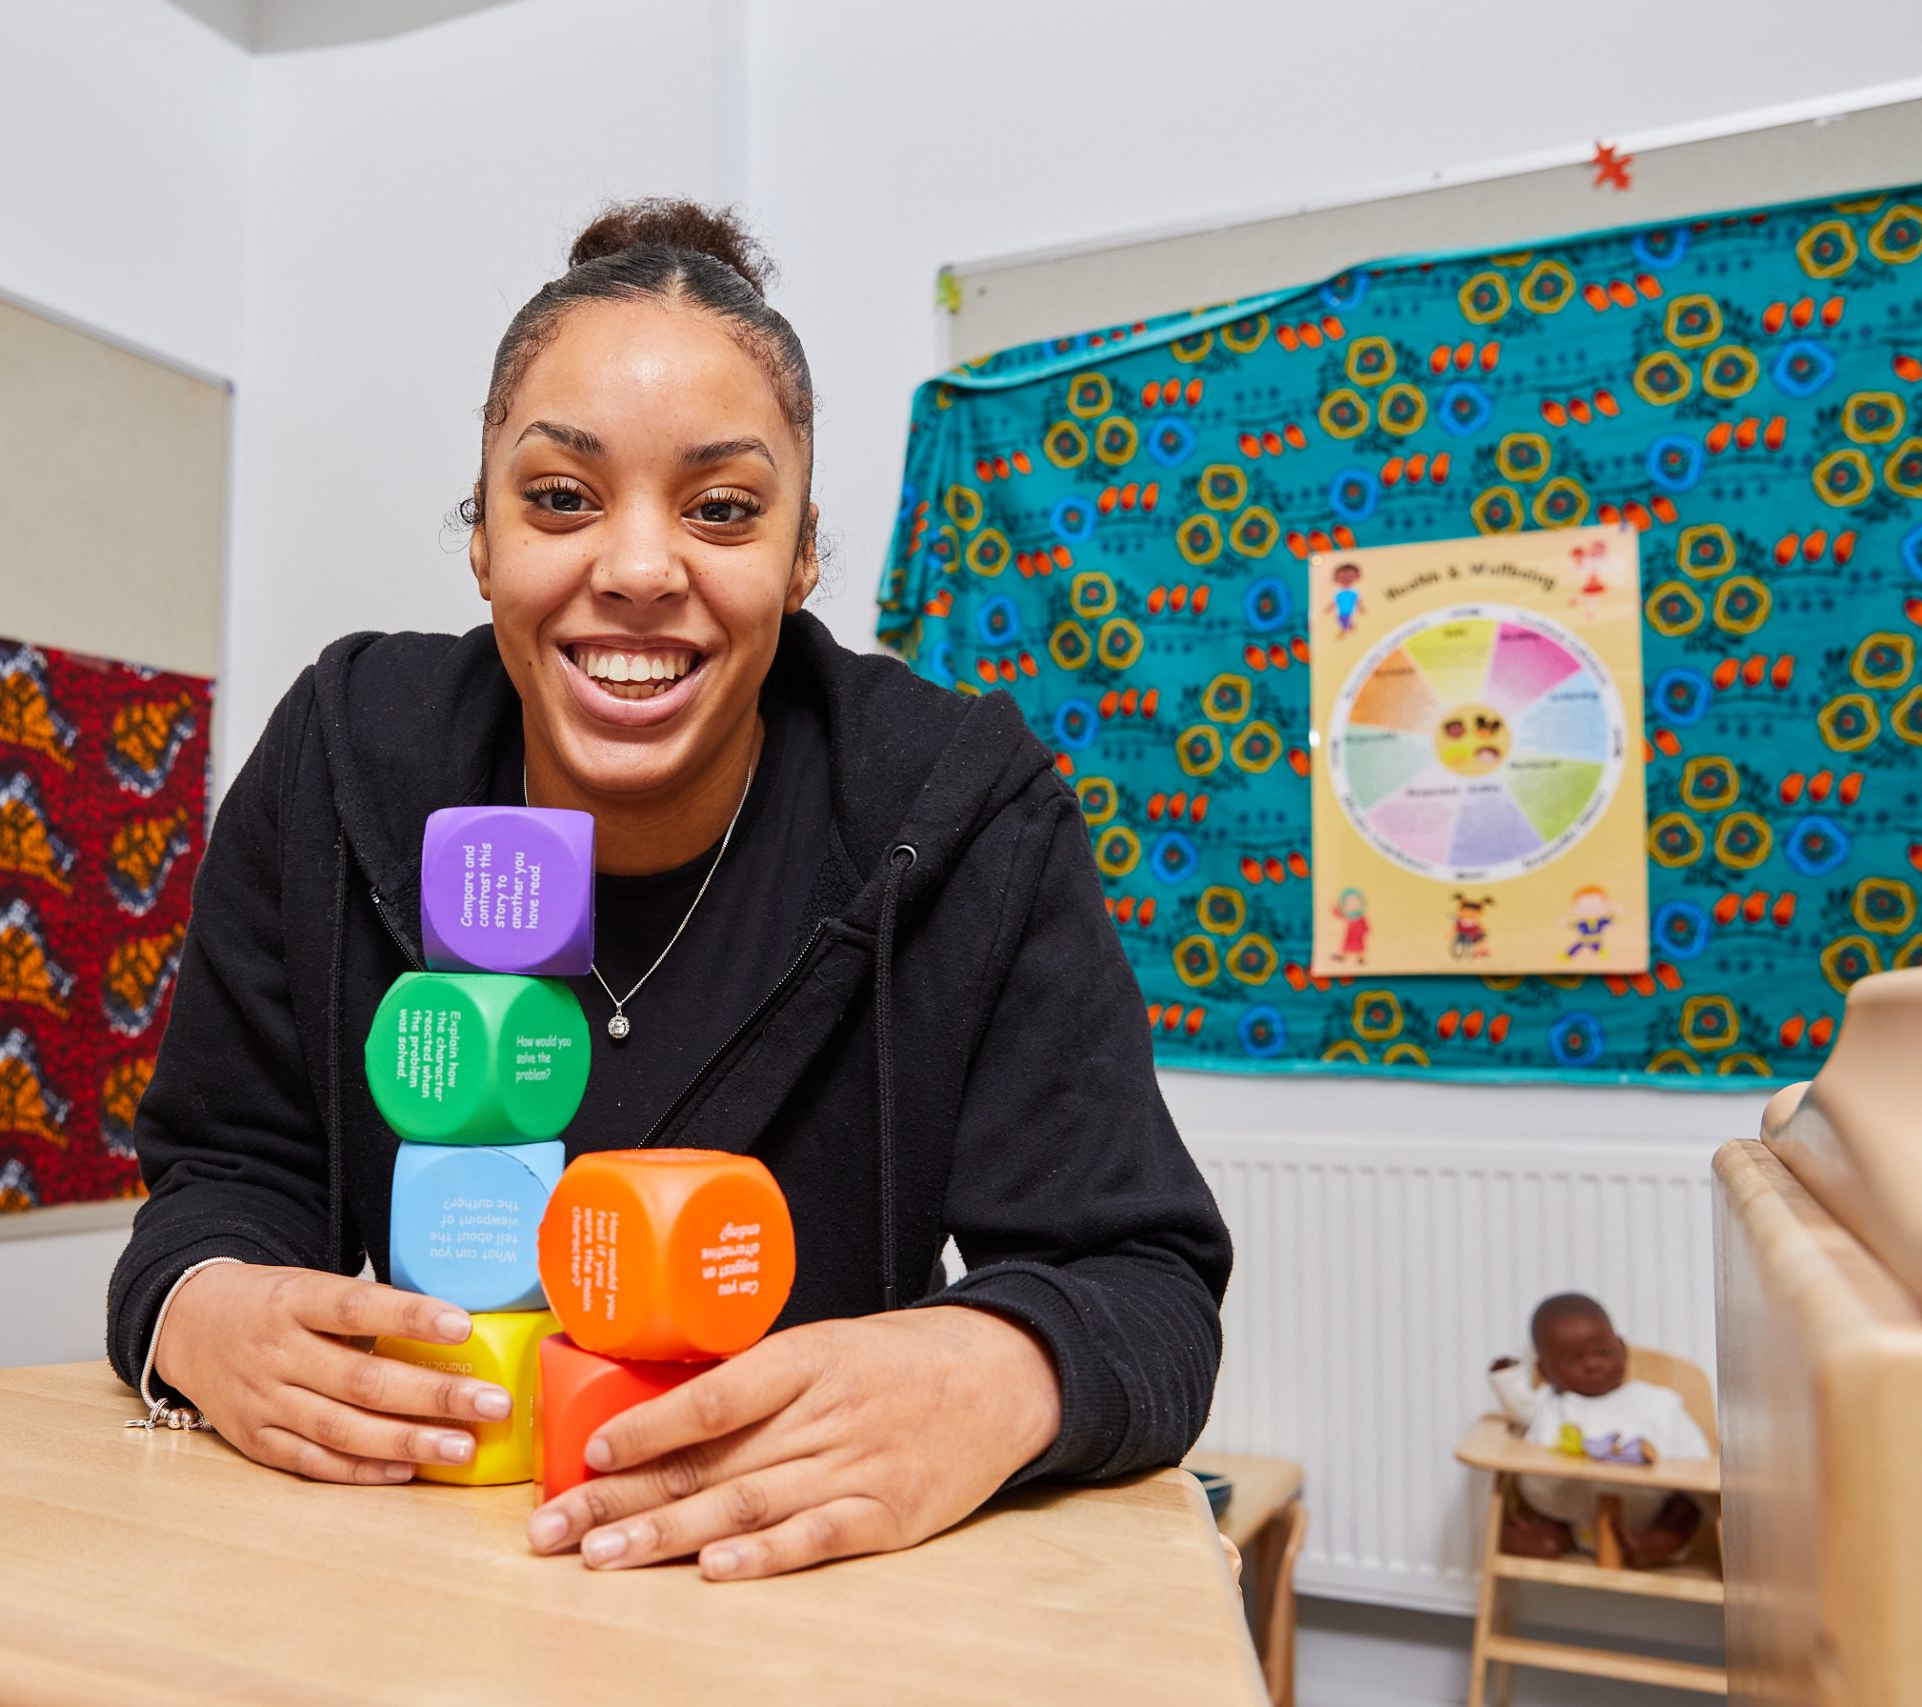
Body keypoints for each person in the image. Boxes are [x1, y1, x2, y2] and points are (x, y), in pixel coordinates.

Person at [106, 200, 1231, 1581]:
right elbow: (219, 1178)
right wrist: (199, 1309)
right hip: (408, 1591)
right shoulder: (343, 754)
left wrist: (995, 1369)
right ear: (482, 536)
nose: (639, 570)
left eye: (721, 508)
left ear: (802, 554)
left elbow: (1147, 1286)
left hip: (801, 1611)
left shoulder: (963, 804)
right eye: (562, 497)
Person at [1488, 1293, 1710, 1565]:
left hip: (1643, 1511)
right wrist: (1506, 1379)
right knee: (1551, 1521)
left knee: (1685, 1510)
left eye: (1602, 1352)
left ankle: (1652, 1545)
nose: (1592, 1364)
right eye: (1570, 1362)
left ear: (1622, 1348)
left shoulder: (1658, 1402)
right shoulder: (1550, 1402)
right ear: (1544, 1370)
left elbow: (1698, 1457)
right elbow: (1519, 1411)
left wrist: (1694, 1478)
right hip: (1564, 1507)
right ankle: (1549, 1538)